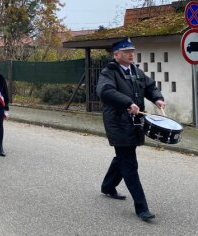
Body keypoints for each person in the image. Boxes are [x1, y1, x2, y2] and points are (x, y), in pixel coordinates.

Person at [96, 39, 165, 222]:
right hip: (118, 122)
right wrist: (127, 102)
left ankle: (108, 186)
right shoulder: (109, 72)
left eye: (132, 51)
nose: (131, 54)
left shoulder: (136, 71)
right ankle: (142, 208)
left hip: (134, 122)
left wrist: (157, 98)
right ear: (116, 55)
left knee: (124, 156)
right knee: (130, 164)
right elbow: (105, 91)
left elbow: (150, 87)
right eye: (126, 51)